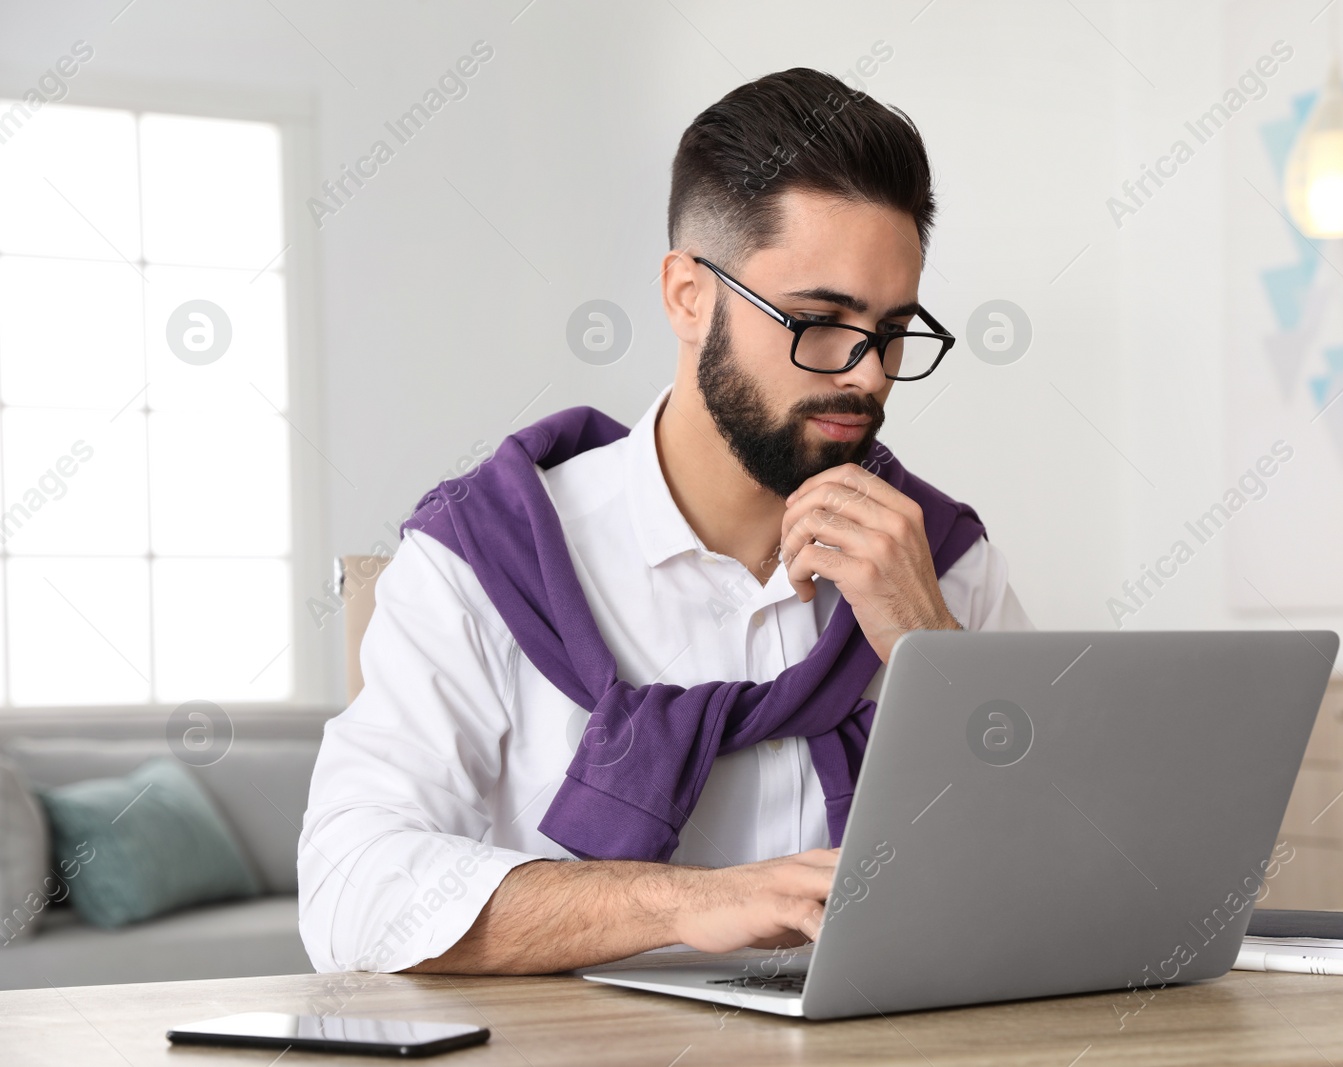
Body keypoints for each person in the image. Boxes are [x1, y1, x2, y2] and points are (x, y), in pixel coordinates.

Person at [298, 67, 1032, 977]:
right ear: (689, 296)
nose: (868, 375)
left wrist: (934, 652)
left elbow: (1061, 880)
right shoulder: (483, 557)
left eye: (890, 331)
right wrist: (697, 900)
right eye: (818, 321)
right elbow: (349, 895)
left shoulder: (941, 563)